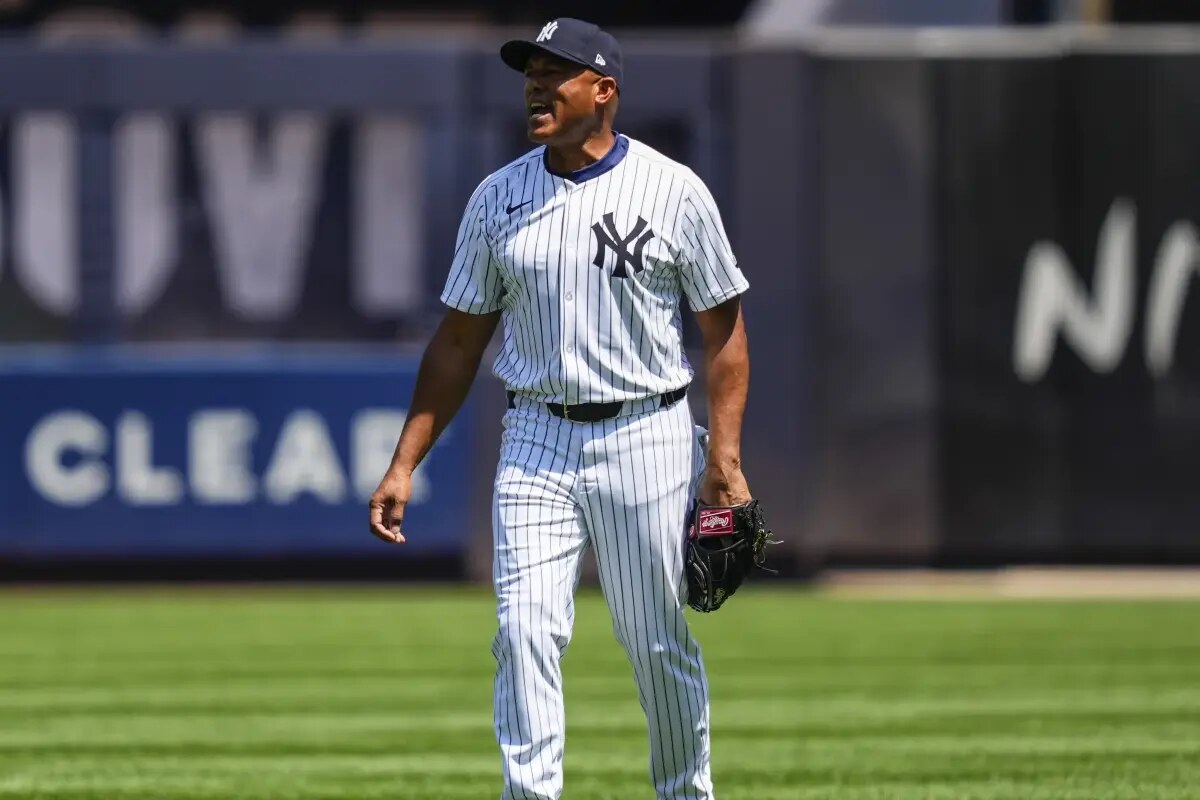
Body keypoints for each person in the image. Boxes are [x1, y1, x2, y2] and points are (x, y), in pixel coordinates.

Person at [369, 17, 751, 800]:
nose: (537, 88)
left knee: (653, 641)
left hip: (647, 430)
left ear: (604, 90)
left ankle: (686, 792)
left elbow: (724, 332)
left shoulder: (673, 190)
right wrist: (406, 462)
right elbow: (457, 345)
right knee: (523, 631)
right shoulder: (498, 196)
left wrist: (725, 461)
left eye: (557, 74)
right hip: (537, 436)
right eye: (530, 74)